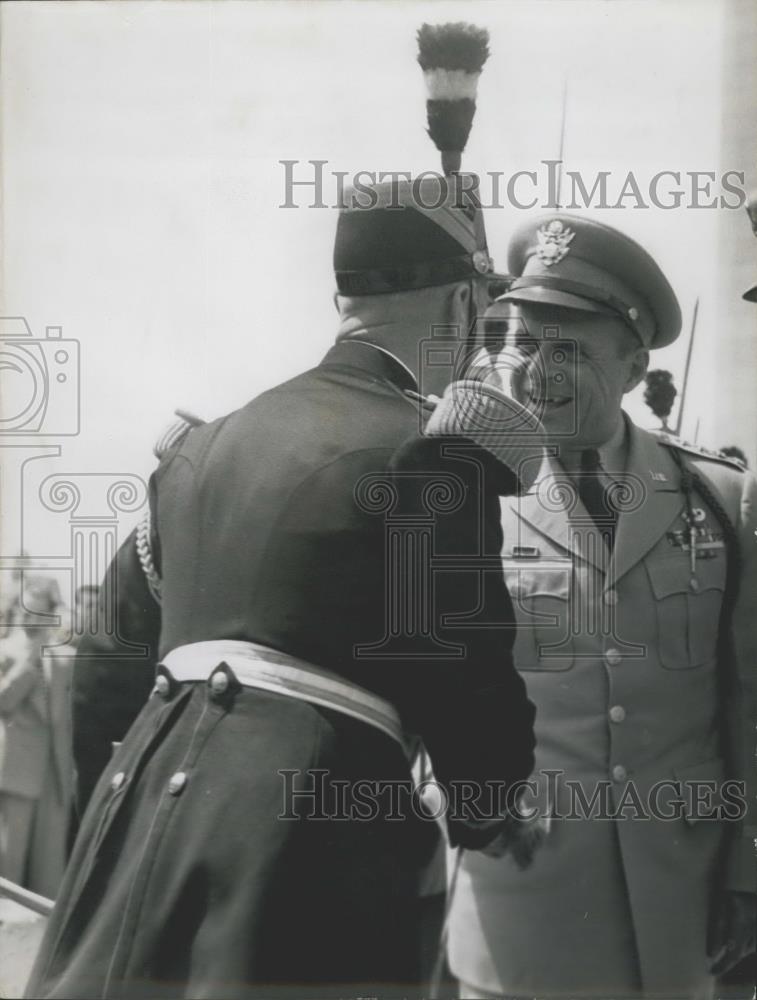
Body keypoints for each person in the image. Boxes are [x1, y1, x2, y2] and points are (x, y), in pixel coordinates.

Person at [26, 175, 542, 1000]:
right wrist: (490, 804)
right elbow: (464, 667)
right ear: (454, 308)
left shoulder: (197, 451)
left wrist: (118, 824)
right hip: (306, 842)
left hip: (140, 825)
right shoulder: (431, 455)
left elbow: (104, 675)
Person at [447, 214, 757, 999]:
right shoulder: (459, 496)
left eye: (569, 350)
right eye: (520, 343)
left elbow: (746, 702)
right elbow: (420, 688)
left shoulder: (718, 496)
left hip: (679, 905)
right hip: (524, 903)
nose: (535, 372)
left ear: (631, 366)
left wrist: (749, 868)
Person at [0, 579, 74, 898]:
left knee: (48, 868)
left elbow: (66, 718)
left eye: (39, 613)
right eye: (26, 611)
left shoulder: (65, 657)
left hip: (53, 770)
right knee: (10, 858)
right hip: (15, 769)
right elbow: (3, 701)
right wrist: (28, 664)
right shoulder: (6, 650)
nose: (31, 619)